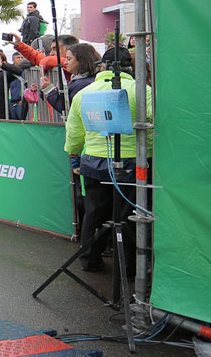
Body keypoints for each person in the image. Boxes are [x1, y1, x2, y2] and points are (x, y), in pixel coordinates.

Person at [64, 53, 152, 275]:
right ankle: (129, 268)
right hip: (134, 160)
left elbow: (74, 130)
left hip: (93, 160)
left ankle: (89, 259)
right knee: (130, 214)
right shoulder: (141, 90)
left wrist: (74, 152)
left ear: (102, 66)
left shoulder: (84, 93)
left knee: (94, 212)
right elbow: (155, 121)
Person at [41, 42, 101, 114]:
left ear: (81, 60)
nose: (65, 63)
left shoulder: (83, 84)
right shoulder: (81, 80)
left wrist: (50, 90)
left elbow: (68, 109)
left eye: (69, 59)